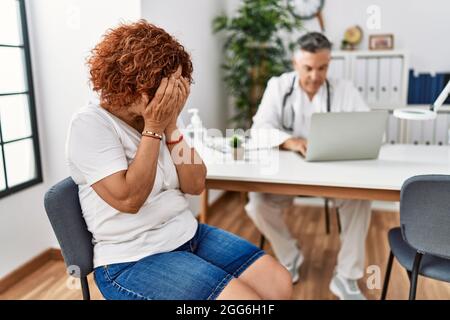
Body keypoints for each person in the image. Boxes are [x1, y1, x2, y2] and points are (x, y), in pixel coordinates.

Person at [66, 20, 292, 300]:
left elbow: (196, 184)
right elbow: (129, 201)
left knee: (279, 284)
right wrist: (154, 127)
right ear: (133, 85)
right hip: (132, 258)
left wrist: (170, 126)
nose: (172, 95)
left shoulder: (163, 115)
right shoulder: (90, 125)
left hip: (187, 232)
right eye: (166, 87)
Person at [245, 32, 372, 300]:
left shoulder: (344, 89)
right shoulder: (278, 86)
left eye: (322, 68)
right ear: (295, 63)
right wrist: (291, 141)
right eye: (308, 68)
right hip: (288, 177)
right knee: (257, 202)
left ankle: (347, 277)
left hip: (334, 176)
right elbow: (260, 130)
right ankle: (290, 256)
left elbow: (369, 130)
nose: (315, 76)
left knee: (360, 200)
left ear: (330, 63)